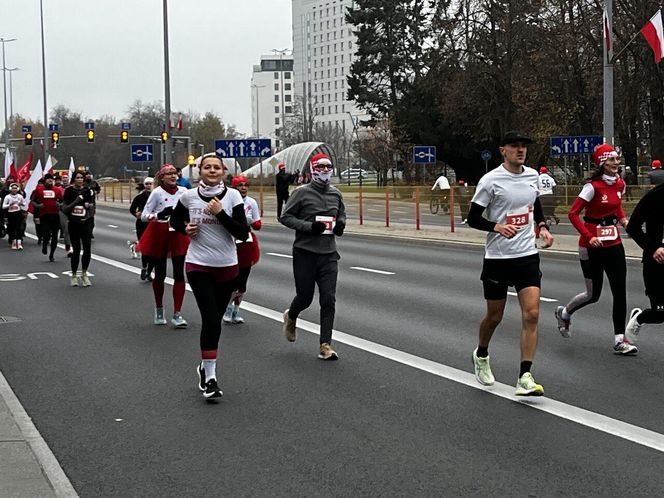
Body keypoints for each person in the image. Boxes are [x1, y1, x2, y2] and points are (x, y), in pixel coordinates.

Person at [467, 131, 554, 396]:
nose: (521, 151)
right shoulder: (490, 180)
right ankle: (481, 354)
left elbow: (534, 203)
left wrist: (542, 226)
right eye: (515, 146)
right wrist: (497, 227)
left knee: (532, 314)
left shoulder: (531, 177)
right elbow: (472, 217)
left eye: (523, 147)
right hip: (498, 259)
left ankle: (525, 375)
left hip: (527, 255)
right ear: (503, 150)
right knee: (495, 317)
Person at [170, 153, 249, 400]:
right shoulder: (188, 196)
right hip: (198, 264)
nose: (212, 171)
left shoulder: (233, 196)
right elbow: (174, 219)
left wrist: (220, 213)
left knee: (215, 319)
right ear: (199, 171)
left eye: (216, 167)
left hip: (227, 265)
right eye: (207, 167)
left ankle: (204, 367)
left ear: (223, 172)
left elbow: (242, 232)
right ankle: (211, 378)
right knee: (211, 320)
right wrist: (185, 228)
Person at [554, 143, 636, 354]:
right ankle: (565, 312)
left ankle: (620, 340)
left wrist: (623, 220)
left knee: (620, 292)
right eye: (611, 160)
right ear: (601, 163)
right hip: (591, 247)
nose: (616, 163)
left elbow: (616, 205)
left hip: (614, 244)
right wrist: (589, 237)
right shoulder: (592, 187)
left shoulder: (619, 183)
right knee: (593, 294)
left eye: (617, 159)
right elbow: (573, 214)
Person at [280, 152, 346, 360]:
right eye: (320, 167)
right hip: (305, 253)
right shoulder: (301, 193)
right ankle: (291, 315)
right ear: (312, 169)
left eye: (328, 167)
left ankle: (325, 345)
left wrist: (341, 224)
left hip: (329, 254)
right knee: (305, 297)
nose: (325, 171)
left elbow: (341, 214)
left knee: (329, 299)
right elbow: (285, 217)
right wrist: (310, 227)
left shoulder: (336, 194)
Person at [140, 164, 190, 328]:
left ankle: (177, 313)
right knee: (160, 274)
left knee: (179, 273)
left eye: (174, 173)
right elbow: (144, 216)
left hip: (178, 233)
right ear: (162, 177)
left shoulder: (184, 191)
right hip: (160, 232)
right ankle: (159, 309)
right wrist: (159, 214)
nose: (173, 176)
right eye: (169, 174)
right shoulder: (157, 193)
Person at [624, 180, 664, 345]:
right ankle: (639, 318)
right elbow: (633, 227)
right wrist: (654, 248)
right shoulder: (656, 195)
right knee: (660, 313)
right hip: (657, 263)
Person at [224, 175, 261, 324]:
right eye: (240, 185)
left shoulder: (251, 202)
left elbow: (258, 223)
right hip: (231, 241)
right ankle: (227, 307)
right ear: (234, 188)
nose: (244, 188)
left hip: (246, 242)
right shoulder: (228, 201)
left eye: (246, 185)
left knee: (243, 280)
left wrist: (253, 222)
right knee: (233, 279)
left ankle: (237, 309)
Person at [62, 171, 96, 287]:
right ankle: (74, 275)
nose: (80, 180)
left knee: (87, 249)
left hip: (86, 223)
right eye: (77, 178)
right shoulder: (69, 191)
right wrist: (76, 201)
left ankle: (84, 273)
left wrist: (87, 216)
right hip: (74, 223)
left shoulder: (88, 191)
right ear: (73, 179)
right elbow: (65, 209)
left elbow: (92, 207)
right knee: (76, 250)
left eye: (81, 178)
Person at [31, 173, 64, 262]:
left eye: (51, 180)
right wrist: (38, 206)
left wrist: (59, 205)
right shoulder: (39, 190)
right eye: (48, 179)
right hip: (44, 215)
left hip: (55, 215)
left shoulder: (57, 190)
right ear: (45, 180)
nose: (50, 181)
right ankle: (45, 244)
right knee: (46, 234)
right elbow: (33, 201)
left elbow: (62, 201)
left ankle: (52, 254)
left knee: (55, 235)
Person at [129, 177, 155, 281]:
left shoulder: (157, 196)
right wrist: (136, 214)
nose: (149, 186)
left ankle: (149, 271)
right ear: (144, 185)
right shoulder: (139, 197)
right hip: (142, 224)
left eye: (151, 183)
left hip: (154, 224)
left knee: (154, 250)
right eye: (147, 184)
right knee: (145, 248)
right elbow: (132, 209)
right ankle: (144, 268)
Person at [2, 182, 27, 250]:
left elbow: (24, 204)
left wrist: (20, 203)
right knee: (12, 228)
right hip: (10, 214)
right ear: (10, 189)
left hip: (18, 213)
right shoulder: (7, 197)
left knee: (19, 228)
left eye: (15, 188)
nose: (14, 190)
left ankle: (19, 243)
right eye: (13, 188)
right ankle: (13, 243)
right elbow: (3, 206)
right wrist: (9, 205)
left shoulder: (20, 196)